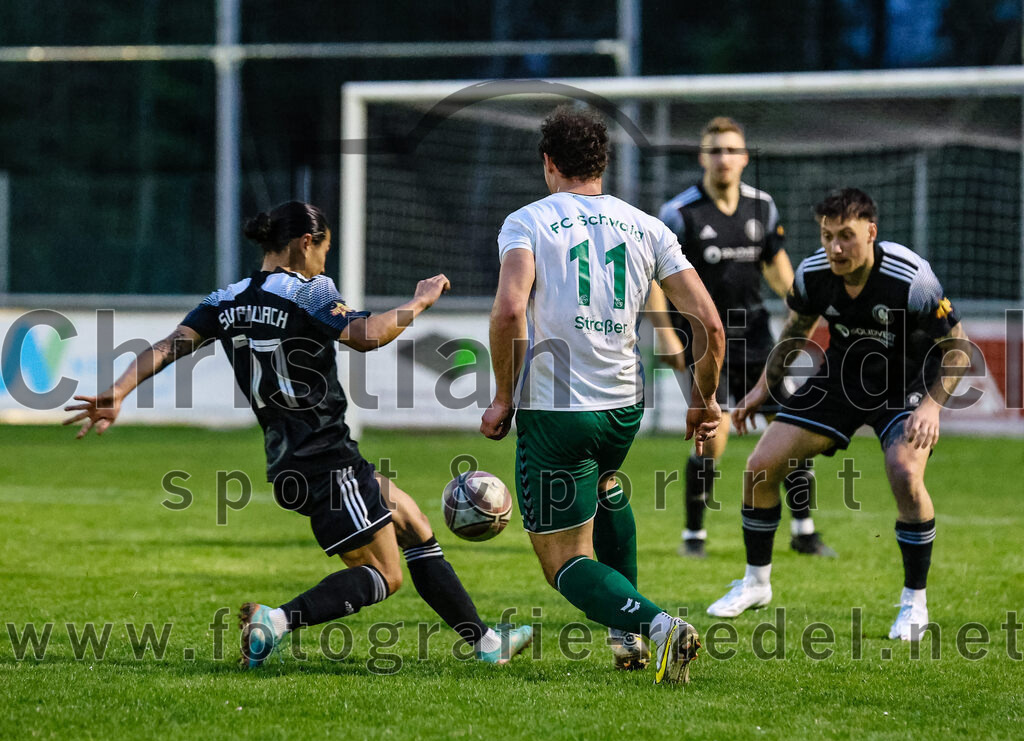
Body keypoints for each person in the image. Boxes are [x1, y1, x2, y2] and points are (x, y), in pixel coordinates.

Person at [64, 201, 532, 667]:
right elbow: (366, 334)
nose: (324, 264)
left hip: (289, 456)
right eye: (324, 252)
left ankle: (487, 643)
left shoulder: (226, 300)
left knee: (413, 523)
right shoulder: (307, 291)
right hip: (325, 455)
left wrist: (118, 390)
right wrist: (420, 301)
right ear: (306, 243)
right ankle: (277, 621)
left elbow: (170, 345)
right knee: (384, 576)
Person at [480, 105, 725, 683]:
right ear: (602, 165)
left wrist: (501, 395)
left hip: (557, 413)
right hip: (623, 409)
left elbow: (511, 308)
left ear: (549, 163)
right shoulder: (648, 227)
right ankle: (625, 635)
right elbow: (711, 325)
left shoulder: (527, 222)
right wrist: (704, 399)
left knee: (562, 559)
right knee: (608, 485)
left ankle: (659, 626)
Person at [706, 188, 969, 641]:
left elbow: (959, 350)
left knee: (905, 472)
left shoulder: (912, 279)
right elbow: (796, 331)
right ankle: (755, 582)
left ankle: (914, 603)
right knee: (759, 468)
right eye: (828, 236)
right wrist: (759, 390)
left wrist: (931, 407)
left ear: (871, 232)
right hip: (843, 378)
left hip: (903, 385)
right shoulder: (813, 273)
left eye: (846, 236)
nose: (836, 248)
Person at [649, 116, 835, 559]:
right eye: (715, 150)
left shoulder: (762, 206)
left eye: (731, 150)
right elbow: (653, 280)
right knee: (713, 438)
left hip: (755, 335)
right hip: (703, 338)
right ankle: (694, 537)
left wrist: (798, 303)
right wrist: (665, 336)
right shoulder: (679, 213)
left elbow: (775, 262)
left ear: (744, 157)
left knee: (790, 430)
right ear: (702, 157)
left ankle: (805, 531)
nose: (723, 158)